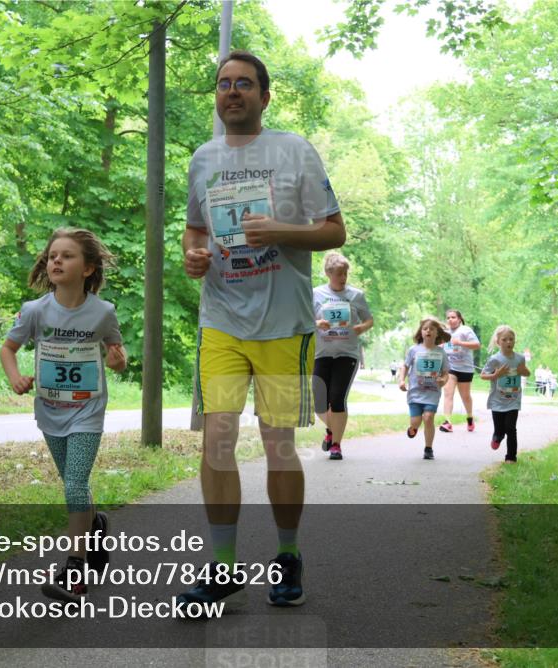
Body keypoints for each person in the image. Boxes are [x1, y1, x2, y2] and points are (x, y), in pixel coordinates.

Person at [180, 50, 346, 610]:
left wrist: (278, 230)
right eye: (224, 84)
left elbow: (334, 232)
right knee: (218, 440)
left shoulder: (293, 150)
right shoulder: (202, 159)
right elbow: (195, 230)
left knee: (278, 444)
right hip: (221, 320)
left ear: (264, 96)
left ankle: (288, 554)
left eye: (244, 84)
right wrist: (194, 256)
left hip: (283, 324)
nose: (232, 91)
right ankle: (223, 566)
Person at [0, 228, 127, 603]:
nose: (56, 260)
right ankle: (95, 524)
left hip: (88, 410)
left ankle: (74, 570)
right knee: (75, 486)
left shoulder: (103, 313)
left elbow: (117, 355)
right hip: (50, 411)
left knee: (74, 485)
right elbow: (8, 350)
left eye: (67, 255)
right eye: (52, 255)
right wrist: (15, 378)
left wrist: (117, 361)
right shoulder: (35, 311)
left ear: (87, 268)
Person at [312, 252, 374, 461]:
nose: (343, 277)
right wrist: (317, 323)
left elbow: (369, 320)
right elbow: (304, 320)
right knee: (319, 403)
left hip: (347, 353)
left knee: (337, 398)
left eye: (345, 273)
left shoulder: (356, 295)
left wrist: (361, 328)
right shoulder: (316, 294)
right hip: (321, 353)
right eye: (339, 273)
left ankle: (336, 445)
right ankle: (332, 429)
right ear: (328, 273)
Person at [399, 317, 451, 461]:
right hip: (415, 393)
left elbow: (446, 373)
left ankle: (428, 448)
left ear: (437, 333)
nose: (428, 331)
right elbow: (405, 366)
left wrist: (443, 380)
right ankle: (413, 427)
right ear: (421, 332)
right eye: (425, 329)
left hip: (432, 393)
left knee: (428, 418)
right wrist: (402, 380)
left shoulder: (441, 352)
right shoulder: (414, 350)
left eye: (431, 329)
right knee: (416, 422)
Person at [480, 325, 530, 462]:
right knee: (500, 429)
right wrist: (496, 375)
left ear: (514, 341)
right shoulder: (495, 359)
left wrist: (523, 371)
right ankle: (497, 436)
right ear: (498, 342)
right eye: (504, 339)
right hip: (497, 400)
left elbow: (527, 373)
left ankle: (511, 457)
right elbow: (483, 375)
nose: (508, 342)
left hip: (513, 399)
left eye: (511, 339)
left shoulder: (520, 358)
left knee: (511, 428)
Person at [439, 310, 481, 433]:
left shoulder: (465, 330)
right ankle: (447, 422)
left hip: (465, 368)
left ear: (459, 319)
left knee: (465, 396)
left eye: (453, 317)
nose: (450, 320)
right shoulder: (445, 333)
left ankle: (469, 417)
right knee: (448, 393)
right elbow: (443, 347)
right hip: (450, 367)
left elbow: (477, 345)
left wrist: (460, 343)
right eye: (448, 318)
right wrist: (441, 347)